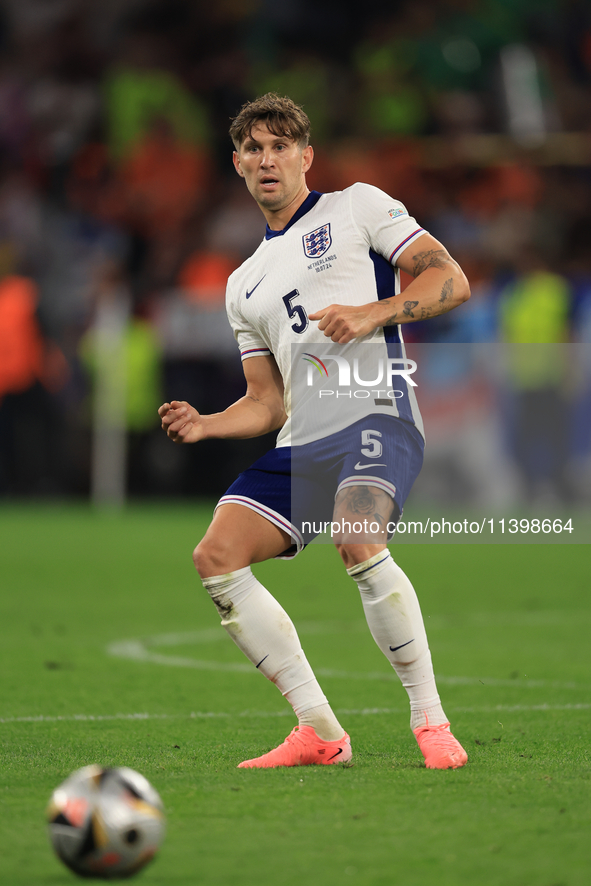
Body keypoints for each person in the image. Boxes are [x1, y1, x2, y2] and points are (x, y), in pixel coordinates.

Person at [159, 93, 471, 769]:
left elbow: (451, 279)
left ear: (305, 157)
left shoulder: (356, 206)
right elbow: (266, 403)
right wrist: (210, 424)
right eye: (253, 148)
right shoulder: (243, 283)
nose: (266, 159)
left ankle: (430, 722)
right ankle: (318, 731)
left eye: (280, 146)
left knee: (358, 537)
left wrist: (376, 312)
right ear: (237, 163)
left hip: (375, 415)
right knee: (215, 557)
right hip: (302, 443)